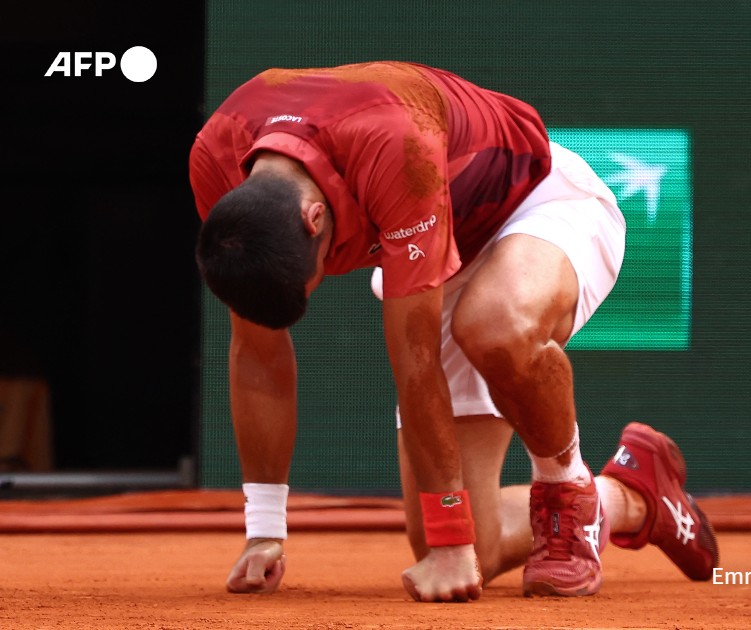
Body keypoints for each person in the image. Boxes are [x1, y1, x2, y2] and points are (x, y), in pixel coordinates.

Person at [190, 61, 718, 602]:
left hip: (536, 207)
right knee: (475, 548)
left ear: (314, 218)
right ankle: (633, 494)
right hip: (441, 247)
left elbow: (415, 364)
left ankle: (566, 491)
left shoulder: (396, 145)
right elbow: (258, 355)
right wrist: (264, 529)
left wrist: (450, 543)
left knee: (493, 325)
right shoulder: (216, 162)